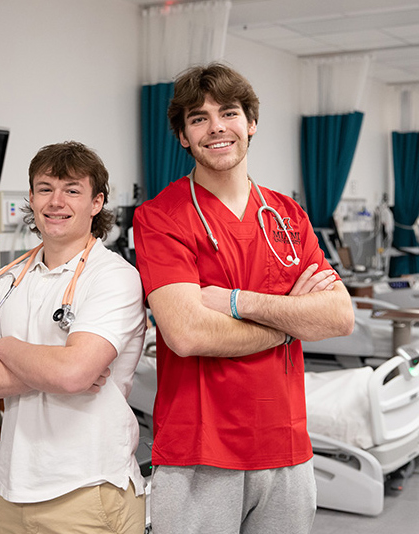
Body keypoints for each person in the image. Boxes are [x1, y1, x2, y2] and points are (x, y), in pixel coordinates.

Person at [132, 63, 355, 533]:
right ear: (182, 136)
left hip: (288, 449)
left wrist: (236, 302)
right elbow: (187, 333)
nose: (216, 127)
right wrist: (294, 318)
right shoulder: (161, 217)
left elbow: (339, 315)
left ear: (250, 123)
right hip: (200, 452)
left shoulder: (287, 215)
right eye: (198, 118)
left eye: (228, 113)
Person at [0, 141, 147, 534]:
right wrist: (54, 370)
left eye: (72, 189)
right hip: (11, 490)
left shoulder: (113, 277)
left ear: (96, 203)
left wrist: (4, 347)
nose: (56, 201)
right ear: (31, 198)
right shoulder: (8, 278)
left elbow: (72, 374)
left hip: (88, 490)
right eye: (45, 188)